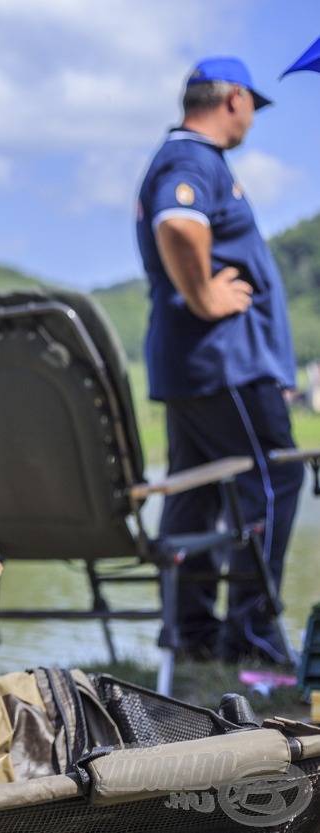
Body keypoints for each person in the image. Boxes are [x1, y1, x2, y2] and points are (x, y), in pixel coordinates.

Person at [135, 57, 305, 665]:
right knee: (275, 477)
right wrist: (206, 295)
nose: (253, 120)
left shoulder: (186, 157)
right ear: (233, 97)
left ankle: (191, 634)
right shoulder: (193, 158)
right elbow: (178, 223)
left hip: (197, 366)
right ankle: (252, 634)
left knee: (197, 490)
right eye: (252, 107)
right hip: (224, 363)